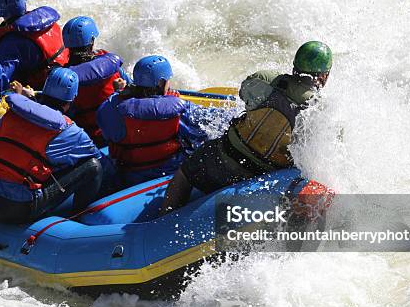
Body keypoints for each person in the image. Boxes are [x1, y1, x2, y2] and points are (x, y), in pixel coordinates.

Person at [160, 41, 333, 214]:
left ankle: (165, 215)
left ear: (295, 65)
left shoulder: (265, 79)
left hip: (223, 158)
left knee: (184, 173)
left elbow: (244, 95)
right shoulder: (319, 110)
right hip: (263, 177)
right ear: (324, 76)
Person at [0, 67, 103, 224]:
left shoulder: (12, 114)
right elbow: (98, 159)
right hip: (20, 208)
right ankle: (79, 219)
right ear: (71, 101)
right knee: (93, 166)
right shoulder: (71, 132)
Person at [97, 55, 208, 187]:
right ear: (161, 83)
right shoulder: (180, 108)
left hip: (127, 175)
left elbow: (109, 131)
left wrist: (119, 93)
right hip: (169, 172)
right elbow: (203, 129)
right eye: (167, 80)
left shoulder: (109, 108)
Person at [62, 16, 131, 145]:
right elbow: (132, 87)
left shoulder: (63, 79)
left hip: (86, 138)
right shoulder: (112, 68)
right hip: (116, 134)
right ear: (92, 41)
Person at [0, 0, 69, 89]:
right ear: (24, 1)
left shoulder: (10, 43)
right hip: (66, 77)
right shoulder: (46, 21)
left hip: (42, 89)